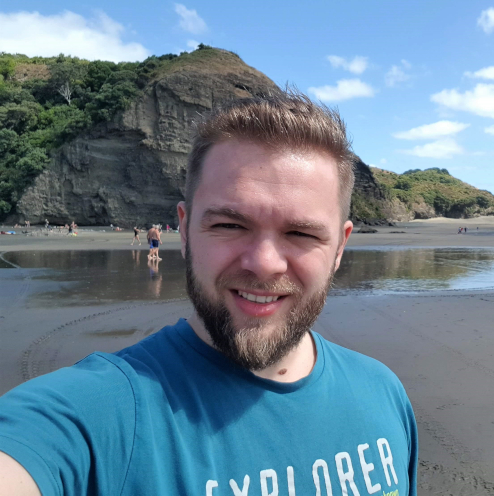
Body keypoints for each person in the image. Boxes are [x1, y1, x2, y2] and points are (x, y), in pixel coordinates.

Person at [0, 91, 418, 496]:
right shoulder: (98, 416)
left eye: (301, 232)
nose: (264, 263)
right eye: (229, 225)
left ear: (340, 247)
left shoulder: (384, 394)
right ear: (182, 230)